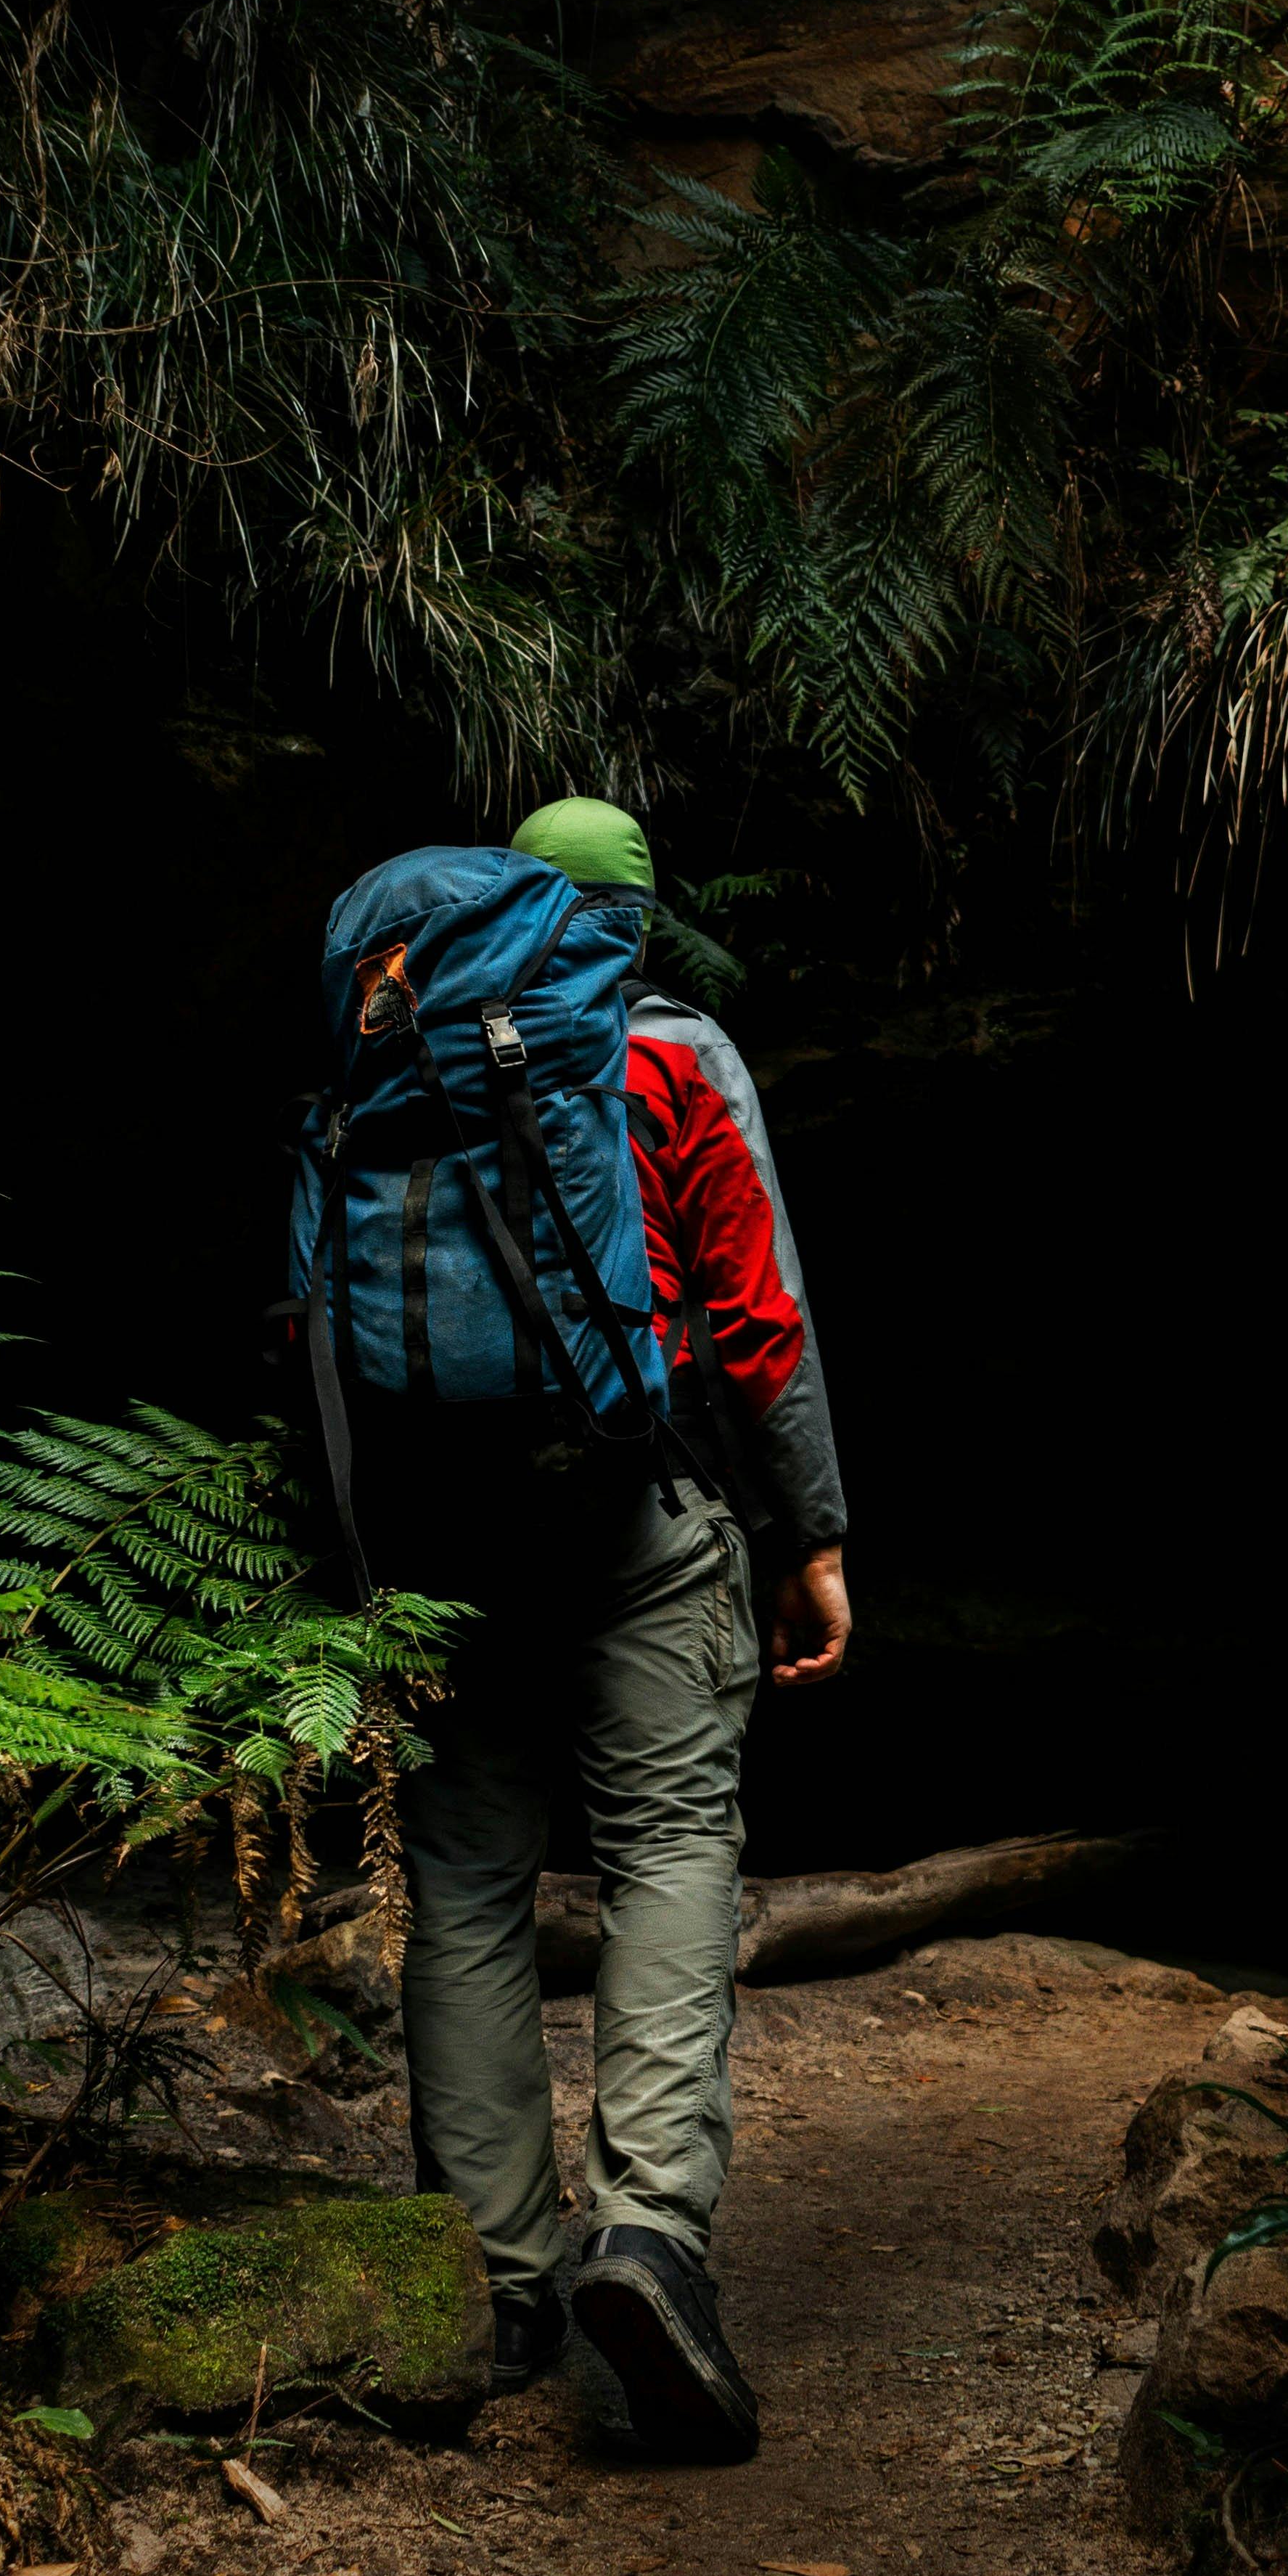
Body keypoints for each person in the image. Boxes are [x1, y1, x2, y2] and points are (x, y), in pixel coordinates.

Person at [353, 796, 849, 2462]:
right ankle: (645, 2236)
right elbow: (758, 1313)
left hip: (438, 1526)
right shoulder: (671, 1053)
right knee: (664, 1849)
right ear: (632, 921)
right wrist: (812, 1534)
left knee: (469, 1888)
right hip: (645, 1516)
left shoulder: (392, 1051)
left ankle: (487, 2275)